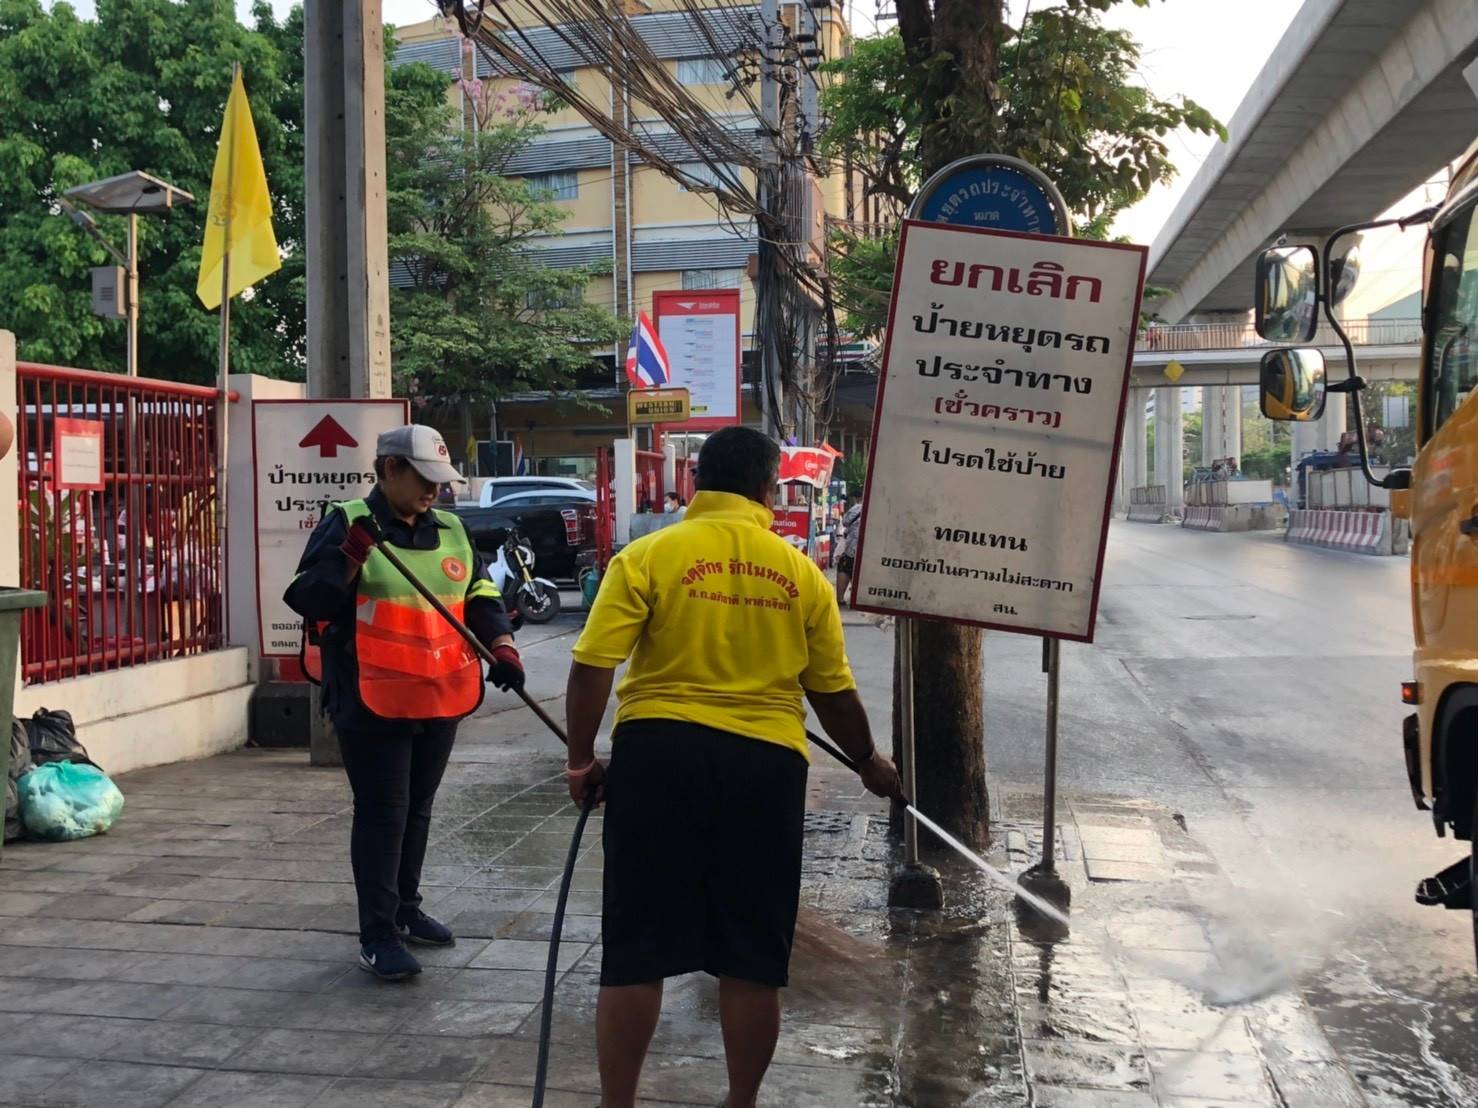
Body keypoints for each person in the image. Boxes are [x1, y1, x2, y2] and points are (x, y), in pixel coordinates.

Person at [563, 426, 900, 1108]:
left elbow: (593, 663)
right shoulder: (801, 575)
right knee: (752, 955)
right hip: (765, 769)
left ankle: (616, 1104)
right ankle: (740, 1101)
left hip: (658, 758)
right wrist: (868, 762)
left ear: (695, 483)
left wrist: (580, 761)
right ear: (769, 489)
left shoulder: (649, 556)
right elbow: (833, 693)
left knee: (637, 948)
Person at [283, 425, 526, 981]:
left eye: (441, 481)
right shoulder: (349, 523)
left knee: (417, 808)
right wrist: (350, 557)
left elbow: (479, 593)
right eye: (423, 478)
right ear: (390, 469)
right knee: (384, 812)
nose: (434, 490)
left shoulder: (452, 529)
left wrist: (503, 646)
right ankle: (378, 935)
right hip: (372, 696)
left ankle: (406, 910)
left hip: (440, 691)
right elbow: (309, 598)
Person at [833, 496, 863, 607]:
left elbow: (845, 522)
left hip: (852, 546)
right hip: (868, 549)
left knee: (845, 566)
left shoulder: (857, 508)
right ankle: (859, 599)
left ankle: (840, 598)